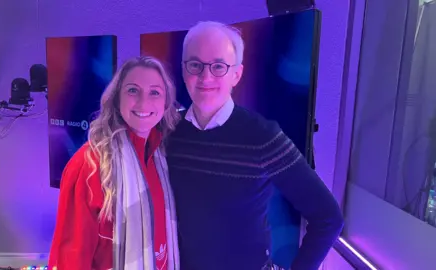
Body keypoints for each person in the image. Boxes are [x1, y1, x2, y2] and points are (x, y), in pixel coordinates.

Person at [166, 21, 345, 270]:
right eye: (195, 65)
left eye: (218, 66)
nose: (205, 76)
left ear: (236, 74)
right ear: (184, 71)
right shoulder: (169, 133)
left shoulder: (262, 136)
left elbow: (328, 217)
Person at [48, 56, 181, 270]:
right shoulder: (89, 164)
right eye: (132, 90)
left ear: (166, 103)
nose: (143, 102)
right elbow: (71, 258)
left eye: (155, 92)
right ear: (116, 98)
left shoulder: (163, 159)